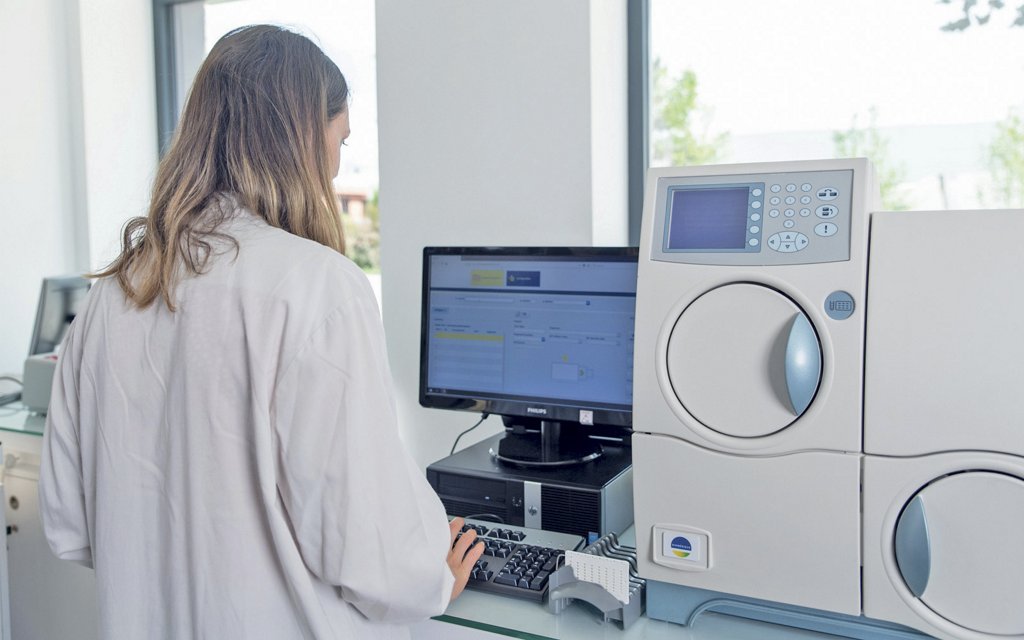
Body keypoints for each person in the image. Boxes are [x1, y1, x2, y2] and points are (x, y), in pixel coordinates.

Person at [38, 24, 483, 639]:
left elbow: (70, 524)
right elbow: (369, 549)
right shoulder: (318, 287)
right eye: (338, 142)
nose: (335, 168)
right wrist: (431, 576)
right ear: (301, 139)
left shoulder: (113, 293)